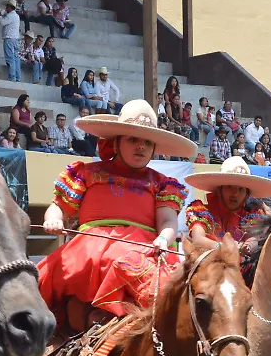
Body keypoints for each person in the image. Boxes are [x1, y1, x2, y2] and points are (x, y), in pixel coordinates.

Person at [36, 99, 197, 327]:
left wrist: (163, 239)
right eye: (133, 139)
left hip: (143, 248)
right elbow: (59, 207)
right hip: (89, 248)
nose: (140, 146)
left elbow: (168, 220)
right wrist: (53, 219)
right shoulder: (87, 172)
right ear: (116, 142)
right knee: (32, 286)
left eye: (147, 142)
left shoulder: (161, 183)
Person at [184, 156, 271, 242]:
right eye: (229, 187)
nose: (235, 193)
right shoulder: (201, 211)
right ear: (219, 190)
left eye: (240, 189)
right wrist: (224, 248)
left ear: (247, 195)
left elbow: (253, 239)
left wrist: (248, 245)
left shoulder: (252, 215)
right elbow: (198, 239)